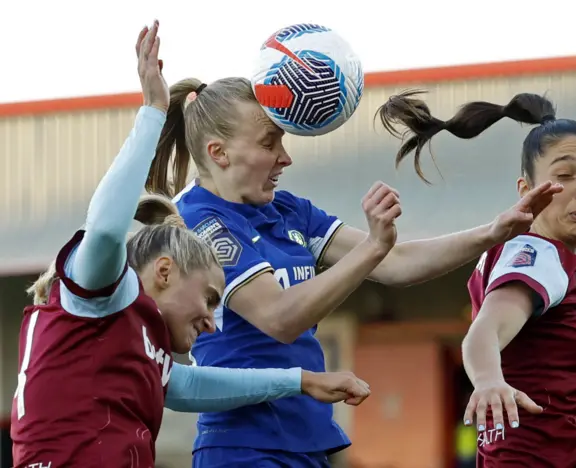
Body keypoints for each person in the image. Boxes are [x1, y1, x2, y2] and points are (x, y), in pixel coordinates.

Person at [148, 59, 561, 466]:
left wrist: (493, 231)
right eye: (269, 142)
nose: (285, 157)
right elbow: (279, 317)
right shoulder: (197, 218)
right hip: (244, 446)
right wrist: (371, 249)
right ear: (218, 153)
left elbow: (394, 262)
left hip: (306, 439)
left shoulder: (288, 209)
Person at [10, 21, 371, 468]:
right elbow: (104, 230)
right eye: (209, 299)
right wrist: (152, 111)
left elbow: (188, 387)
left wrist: (299, 381)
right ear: (164, 271)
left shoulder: (137, 338)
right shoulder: (99, 292)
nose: (212, 322)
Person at [380, 90, 576, 467]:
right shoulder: (537, 256)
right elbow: (483, 332)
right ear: (526, 191)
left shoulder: (555, 264)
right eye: (565, 176)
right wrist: (488, 382)